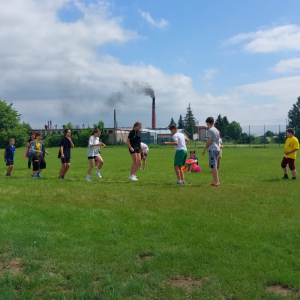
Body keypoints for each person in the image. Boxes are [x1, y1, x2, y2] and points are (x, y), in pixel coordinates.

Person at [202, 117, 220, 186]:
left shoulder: (210, 130)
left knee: (214, 166)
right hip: (217, 149)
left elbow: (209, 141)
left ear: (208, 123)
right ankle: (216, 181)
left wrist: (204, 148)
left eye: (206, 124)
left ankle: (216, 182)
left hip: (212, 149)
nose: (207, 125)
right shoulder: (217, 130)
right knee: (214, 165)